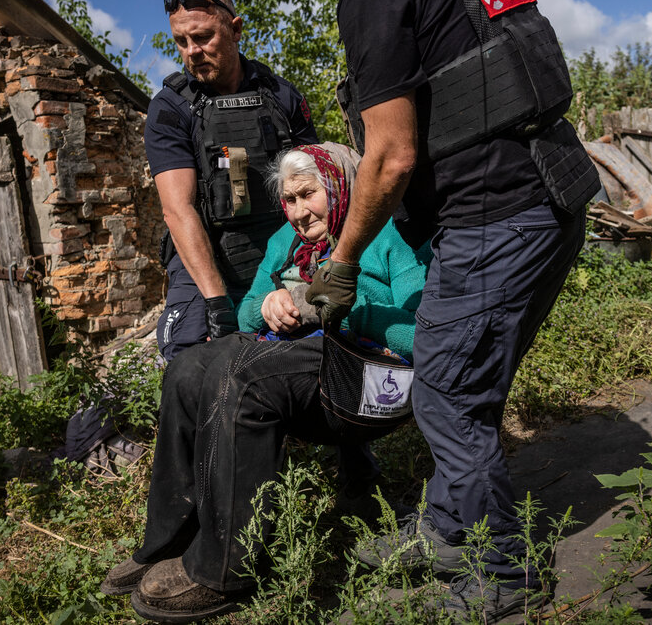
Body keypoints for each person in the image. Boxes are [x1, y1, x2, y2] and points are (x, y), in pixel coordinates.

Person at [286, 0, 602, 618]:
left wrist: (342, 262)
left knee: (449, 395)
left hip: (495, 219)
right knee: (455, 378)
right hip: (556, 198)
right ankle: (448, 529)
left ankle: (503, 571)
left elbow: (391, 155)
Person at [100, 142, 429, 623]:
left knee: (245, 380)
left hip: (357, 371)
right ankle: (173, 536)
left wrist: (353, 311)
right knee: (188, 369)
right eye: (289, 199)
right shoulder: (283, 242)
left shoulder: (380, 240)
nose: (297, 211)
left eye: (307, 195)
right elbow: (247, 309)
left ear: (338, 187)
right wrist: (269, 304)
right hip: (289, 357)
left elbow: (422, 335)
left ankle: (224, 570)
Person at [146, 0, 318, 361]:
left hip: (280, 251)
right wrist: (217, 302)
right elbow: (178, 209)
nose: (191, 52)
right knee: (191, 363)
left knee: (312, 345)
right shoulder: (170, 109)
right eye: (181, 41)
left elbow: (317, 182)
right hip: (204, 261)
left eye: (203, 37)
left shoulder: (281, 96)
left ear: (236, 29)